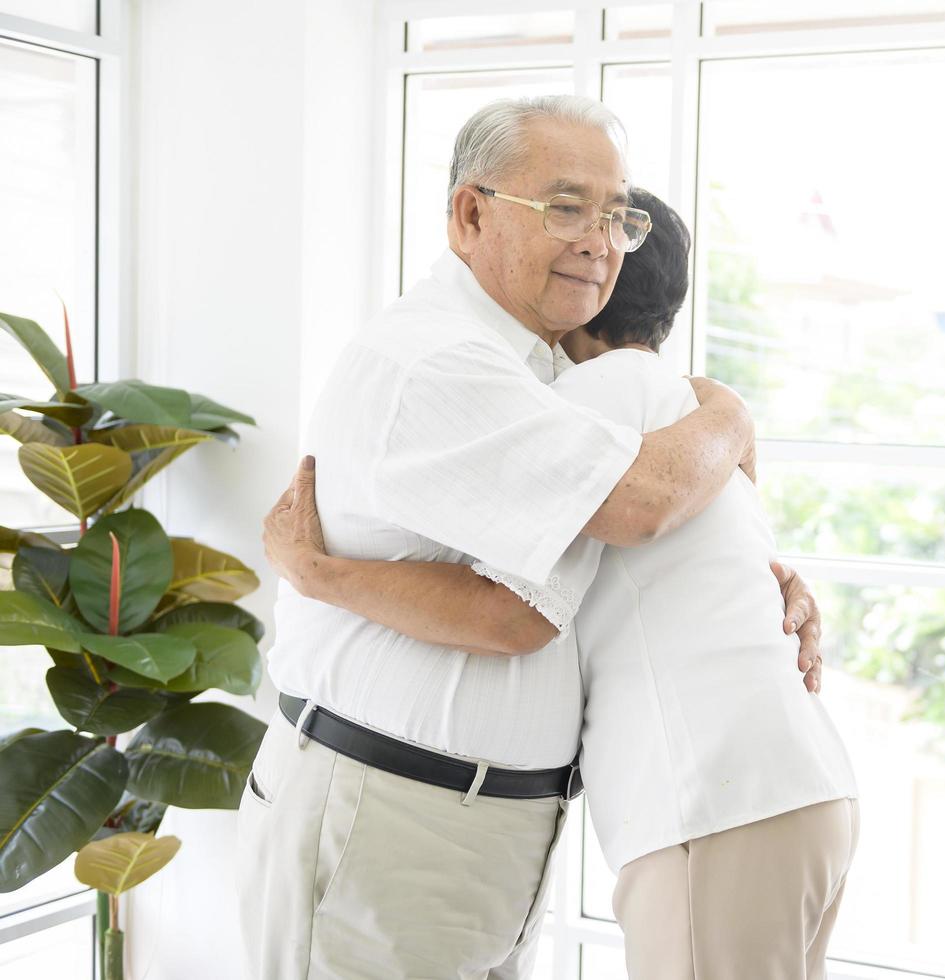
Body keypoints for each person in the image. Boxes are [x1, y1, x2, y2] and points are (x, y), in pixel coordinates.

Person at [237, 95, 825, 980]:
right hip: (388, 818)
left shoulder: (549, 373)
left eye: (614, 216)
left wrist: (753, 582)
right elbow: (595, 546)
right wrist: (730, 417)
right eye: (564, 207)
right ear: (470, 214)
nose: (598, 240)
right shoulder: (440, 362)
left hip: (487, 828)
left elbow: (646, 532)